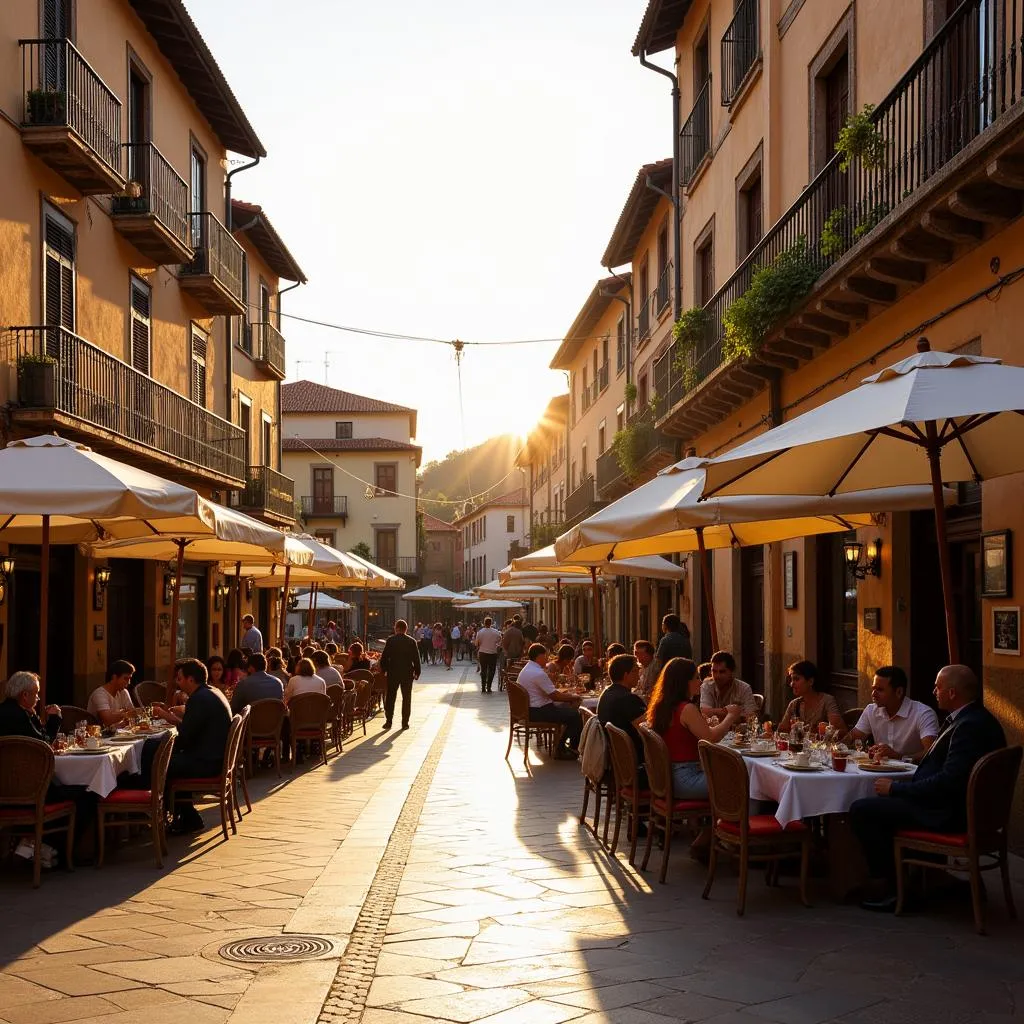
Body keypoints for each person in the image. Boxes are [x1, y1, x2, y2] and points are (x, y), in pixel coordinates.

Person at [850, 665, 1006, 911]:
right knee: (876, 805)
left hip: (948, 814)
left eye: (938, 687)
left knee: (862, 810)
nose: (934, 691)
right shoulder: (972, 718)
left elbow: (948, 781)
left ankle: (897, 889)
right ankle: (927, 879)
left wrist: (897, 790)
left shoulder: (969, 726)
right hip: (958, 808)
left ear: (952, 693)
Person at [647, 657, 742, 801]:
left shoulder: (662, 706)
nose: (701, 681)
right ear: (684, 682)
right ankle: (737, 822)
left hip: (667, 778)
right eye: (696, 677)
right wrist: (731, 716)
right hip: (686, 779)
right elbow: (710, 737)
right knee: (744, 780)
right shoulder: (686, 709)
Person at [156, 659, 232, 835]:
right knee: (170, 761)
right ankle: (186, 815)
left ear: (191, 680)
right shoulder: (211, 692)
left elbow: (186, 737)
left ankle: (176, 815)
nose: (177, 682)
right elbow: (194, 729)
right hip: (215, 756)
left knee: (160, 764)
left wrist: (169, 718)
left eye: (180, 678)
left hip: (208, 761)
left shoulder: (199, 699)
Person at [844, 665, 940, 761]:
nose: (873, 694)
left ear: (899, 692)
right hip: (878, 771)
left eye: (880, 690)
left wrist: (900, 757)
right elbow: (851, 739)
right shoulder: (871, 710)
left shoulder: (923, 713)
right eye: (873, 688)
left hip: (912, 774)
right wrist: (836, 737)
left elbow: (931, 752)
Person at [516, 643, 582, 759]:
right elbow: (555, 696)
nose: (547, 659)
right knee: (575, 715)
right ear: (539, 657)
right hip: (538, 711)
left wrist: (566, 696)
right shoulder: (538, 673)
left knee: (567, 711)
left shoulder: (527, 669)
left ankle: (563, 746)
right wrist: (574, 697)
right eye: (545, 656)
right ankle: (564, 749)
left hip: (529, 710)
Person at [597, 654, 648, 785]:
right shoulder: (628, 699)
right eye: (636, 671)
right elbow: (648, 730)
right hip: (637, 767)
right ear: (626, 675)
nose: (639, 675)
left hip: (617, 765)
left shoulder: (607, 694)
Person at [777, 660, 845, 735]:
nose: (792, 684)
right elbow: (781, 731)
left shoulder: (827, 701)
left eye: (796, 679)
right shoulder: (794, 704)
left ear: (810, 681)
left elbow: (840, 731)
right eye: (791, 680)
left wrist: (820, 730)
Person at [379, 620, 421, 730]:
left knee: (391, 697)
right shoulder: (411, 641)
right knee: (406, 698)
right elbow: (416, 659)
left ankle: (389, 721)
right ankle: (405, 723)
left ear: (396, 628)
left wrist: (384, 670)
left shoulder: (391, 640)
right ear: (406, 629)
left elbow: (384, 657)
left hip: (393, 673)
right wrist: (417, 672)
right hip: (407, 673)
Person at [0, 671, 61, 741]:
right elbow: (44, 743)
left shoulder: (4, 708)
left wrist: (33, 717)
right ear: (25, 695)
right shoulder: (21, 716)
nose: (38, 698)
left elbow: (38, 734)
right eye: (36, 693)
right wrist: (55, 718)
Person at [699, 651, 758, 719]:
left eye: (722, 672)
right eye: (714, 671)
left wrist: (715, 712)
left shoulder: (744, 688)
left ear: (731, 671)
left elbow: (751, 716)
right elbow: (705, 712)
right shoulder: (707, 685)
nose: (717, 676)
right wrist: (732, 713)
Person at [87, 660, 137, 727]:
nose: (129, 682)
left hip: (119, 733)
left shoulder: (124, 692)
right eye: (125, 678)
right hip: (100, 735)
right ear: (114, 677)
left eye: (129, 679)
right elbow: (107, 720)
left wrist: (125, 714)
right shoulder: (99, 694)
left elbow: (134, 715)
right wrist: (126, 713)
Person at [475, 616, 502, 694]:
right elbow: (500, 640)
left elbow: (476, 643)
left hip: (482, 653)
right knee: (492, 670)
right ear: (491, 623)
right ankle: (489, 687)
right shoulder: (496, 632)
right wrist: (495, 644)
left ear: (484, 623)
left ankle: (483, 687)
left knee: (483, 670)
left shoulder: (480, 632)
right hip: (492, 653)